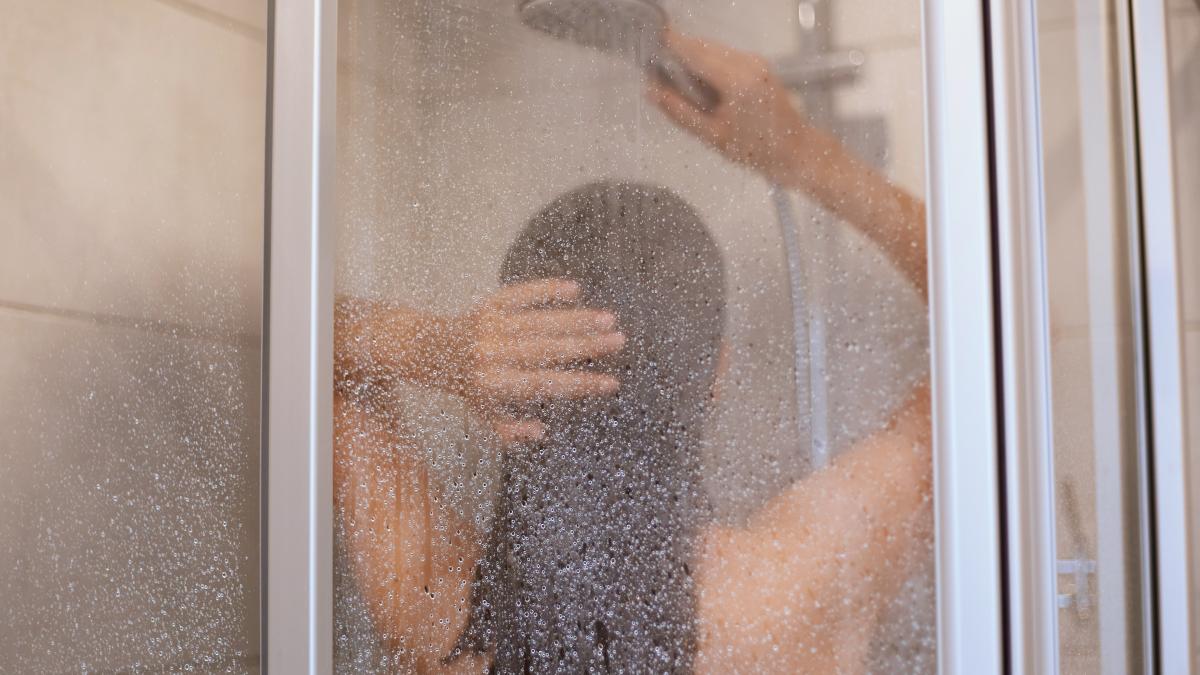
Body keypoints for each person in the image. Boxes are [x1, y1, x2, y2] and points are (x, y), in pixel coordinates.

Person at [333, 29, 933, 674]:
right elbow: (990, 338)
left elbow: (309, 346)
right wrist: (802, 155)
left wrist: (439, 350)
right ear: (716, 371)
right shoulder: (797, 588)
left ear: (507, 372)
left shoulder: (435, 613)